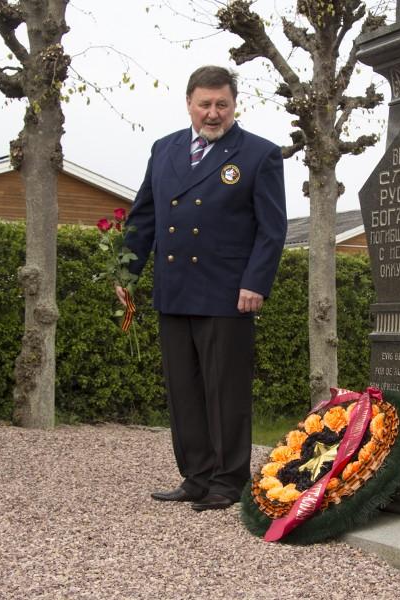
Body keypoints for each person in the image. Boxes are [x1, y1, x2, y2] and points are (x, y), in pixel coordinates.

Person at [116, 65, 287, 512]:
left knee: (225, 390)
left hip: (228, 292)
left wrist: (255, 282)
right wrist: (127, 274)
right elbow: (144, 217)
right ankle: (195, 476)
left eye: (222, 105)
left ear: (234, 106)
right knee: (184, 389)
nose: (213, 114)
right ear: (189, 103)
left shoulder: (259, 154)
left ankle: (228, 481)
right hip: (174, 289)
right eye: (205, 104)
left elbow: (272, 229)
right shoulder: (164, 148)